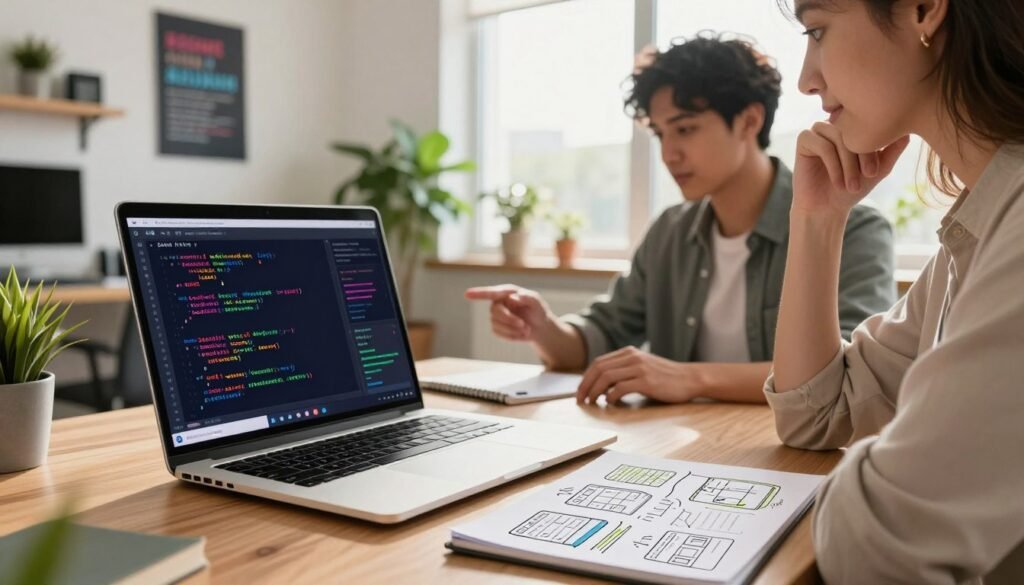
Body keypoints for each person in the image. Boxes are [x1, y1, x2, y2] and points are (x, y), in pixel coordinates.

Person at [466, 33, 896, 406]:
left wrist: (687, 377)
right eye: (659, 133)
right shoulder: (670, 230)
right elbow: (598, 336)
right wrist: (543, 328)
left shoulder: (852, 228)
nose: (668, 153)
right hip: (691, 450)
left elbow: (845, 371)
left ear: (749, 120)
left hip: (792, 451)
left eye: (685, 129)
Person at [764, 0, 1024, 582]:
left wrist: (898, 453)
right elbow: (817, 413)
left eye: (817, 30)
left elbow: (878, 540)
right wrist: (818, 220)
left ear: (925, 9)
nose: (807, 78)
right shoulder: (979, 230)